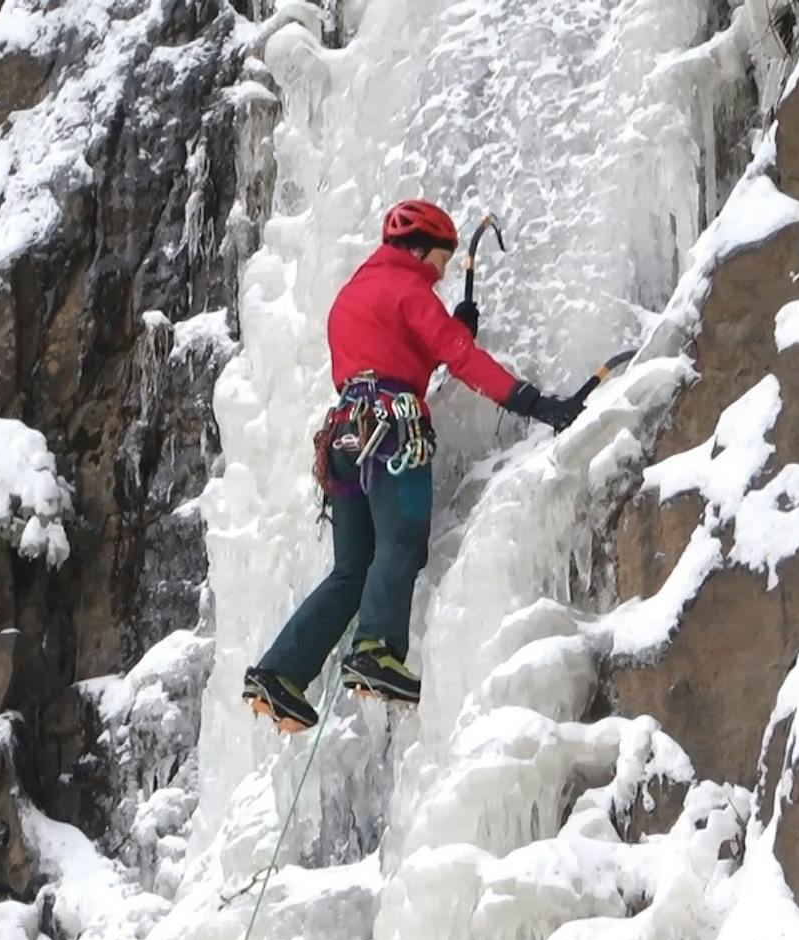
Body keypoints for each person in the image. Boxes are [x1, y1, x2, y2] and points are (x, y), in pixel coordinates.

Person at [242, 199, 583, 732]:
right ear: (421, 250)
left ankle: (279, 673)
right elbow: (460, 360)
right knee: (401, 541)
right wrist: (536, 403)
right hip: (393, 431)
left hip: (344, 437)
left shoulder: (353, 293)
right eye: (442, 262)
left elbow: (393, 356)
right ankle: (376, 651)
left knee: (352, 569)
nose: (443, 274)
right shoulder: (410, 290)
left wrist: (453, 327)